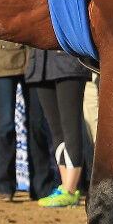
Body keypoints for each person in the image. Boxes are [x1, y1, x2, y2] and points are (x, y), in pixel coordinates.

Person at [25, 47, 92, 207]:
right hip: (40, 64)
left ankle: (70, 189)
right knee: (56, 131)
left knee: (70, 127)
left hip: (68, 62)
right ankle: (65, 187)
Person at [0, 37, 29, 202]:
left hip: (33, 57)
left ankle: (40, 186)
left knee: (36, 124)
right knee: (6, 125)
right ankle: (4, 185)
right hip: (1, 59)